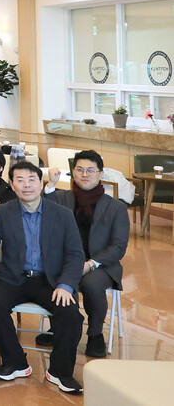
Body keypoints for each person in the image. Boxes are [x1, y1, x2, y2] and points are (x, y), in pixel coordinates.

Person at [0, 162, 85, 395]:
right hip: (13, 277)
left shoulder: (62, 214)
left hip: (50, 280)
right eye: (20, 180)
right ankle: (16, 362)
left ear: (41, 183)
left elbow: (75, 254)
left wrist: (66, 285)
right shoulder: (4, 211)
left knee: (70, 313)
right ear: (12, 185)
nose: (26, 185)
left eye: (31, 179)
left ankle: (60, 371)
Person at [40, 150, 129, 358]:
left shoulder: (116, 207)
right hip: (66, 262)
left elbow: (118, 247)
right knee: (54, 278)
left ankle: (95, 334)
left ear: (101, 174)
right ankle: (60, 327)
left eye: (90, 170)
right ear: (73, 172)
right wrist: (51, 184)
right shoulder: (61, 197)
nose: (84, 174)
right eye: (79, 170)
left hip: (101, 264)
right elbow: (44, 210)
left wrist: (90, 264)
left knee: (91, 285)